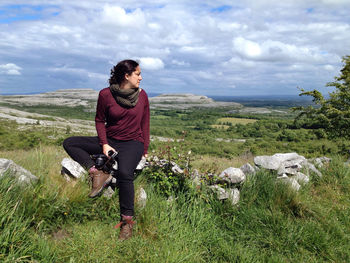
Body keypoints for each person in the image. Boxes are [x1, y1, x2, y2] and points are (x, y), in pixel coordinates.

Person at [63, 59, 150, 240]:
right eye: (138, 74)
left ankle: (126, 223)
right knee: (70, 143)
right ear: (126, 76)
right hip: (109, 140)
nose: (141, 77)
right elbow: (99, 120)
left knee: (125, 174)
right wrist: (104, 143)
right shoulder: (105, 95)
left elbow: (145, 124)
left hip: (132, 142)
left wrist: (144, 149)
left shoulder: (142, 96)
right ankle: (97, 172)